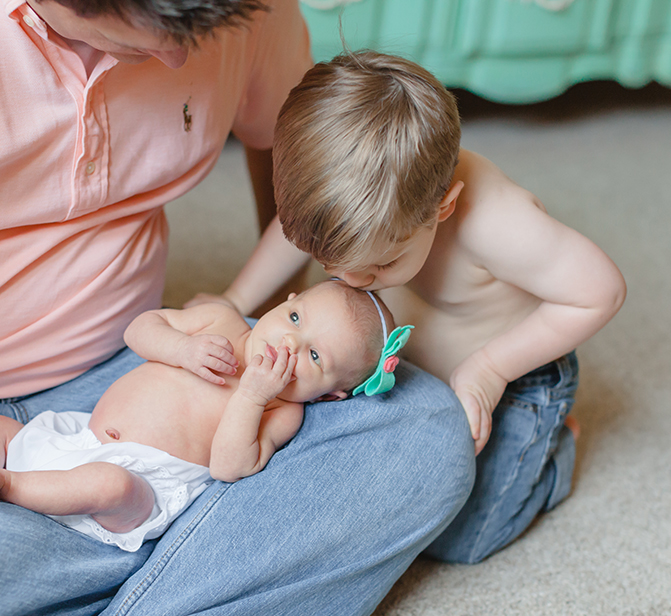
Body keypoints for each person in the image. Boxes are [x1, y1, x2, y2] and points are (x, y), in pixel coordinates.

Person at [0, 2, 470, 616]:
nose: (179, 59)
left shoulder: (242, 9)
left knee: (424, 437)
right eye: (149, 28)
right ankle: (190, 593)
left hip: (133, 380)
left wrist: (289, 323)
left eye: (198, 30)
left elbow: (295, 169)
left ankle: (64, 597)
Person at [211, 50, 627, 564]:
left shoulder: (497, 223)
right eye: (331, 261)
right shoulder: (352, 195)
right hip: (395, 363)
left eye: (380, 265)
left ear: (443, 207)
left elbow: (600, 290)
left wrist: (491, 370)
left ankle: (553, 454)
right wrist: (235, 299)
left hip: (509, 386)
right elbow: (297, 234)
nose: (350, 280)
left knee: (459, 539)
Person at [0, 281, 410, 552]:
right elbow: (139, 329)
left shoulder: (282, 411)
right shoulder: (220, 320)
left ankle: (4, 486)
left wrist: (250, 397)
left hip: (142, 483)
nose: (288, 344)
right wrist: (182, 348)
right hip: (80, 436)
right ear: (287, 301)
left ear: (330, 398)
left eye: (315, 358)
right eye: (296, 321)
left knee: (107, 484)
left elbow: (229, 466)